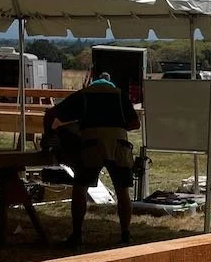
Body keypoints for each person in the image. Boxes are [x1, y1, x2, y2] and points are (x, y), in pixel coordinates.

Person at [45, 71, 140, 248]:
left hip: (91, 143)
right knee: (122, 191)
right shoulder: (120, 95)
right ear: (110, 82)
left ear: (93, 82)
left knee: (80, 188)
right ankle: (126, 234)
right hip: (118, 143)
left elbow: (53, 114)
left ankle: (77, 234)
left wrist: (54, 134)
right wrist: (116, 126)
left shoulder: (83, 95)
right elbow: (135, 123)